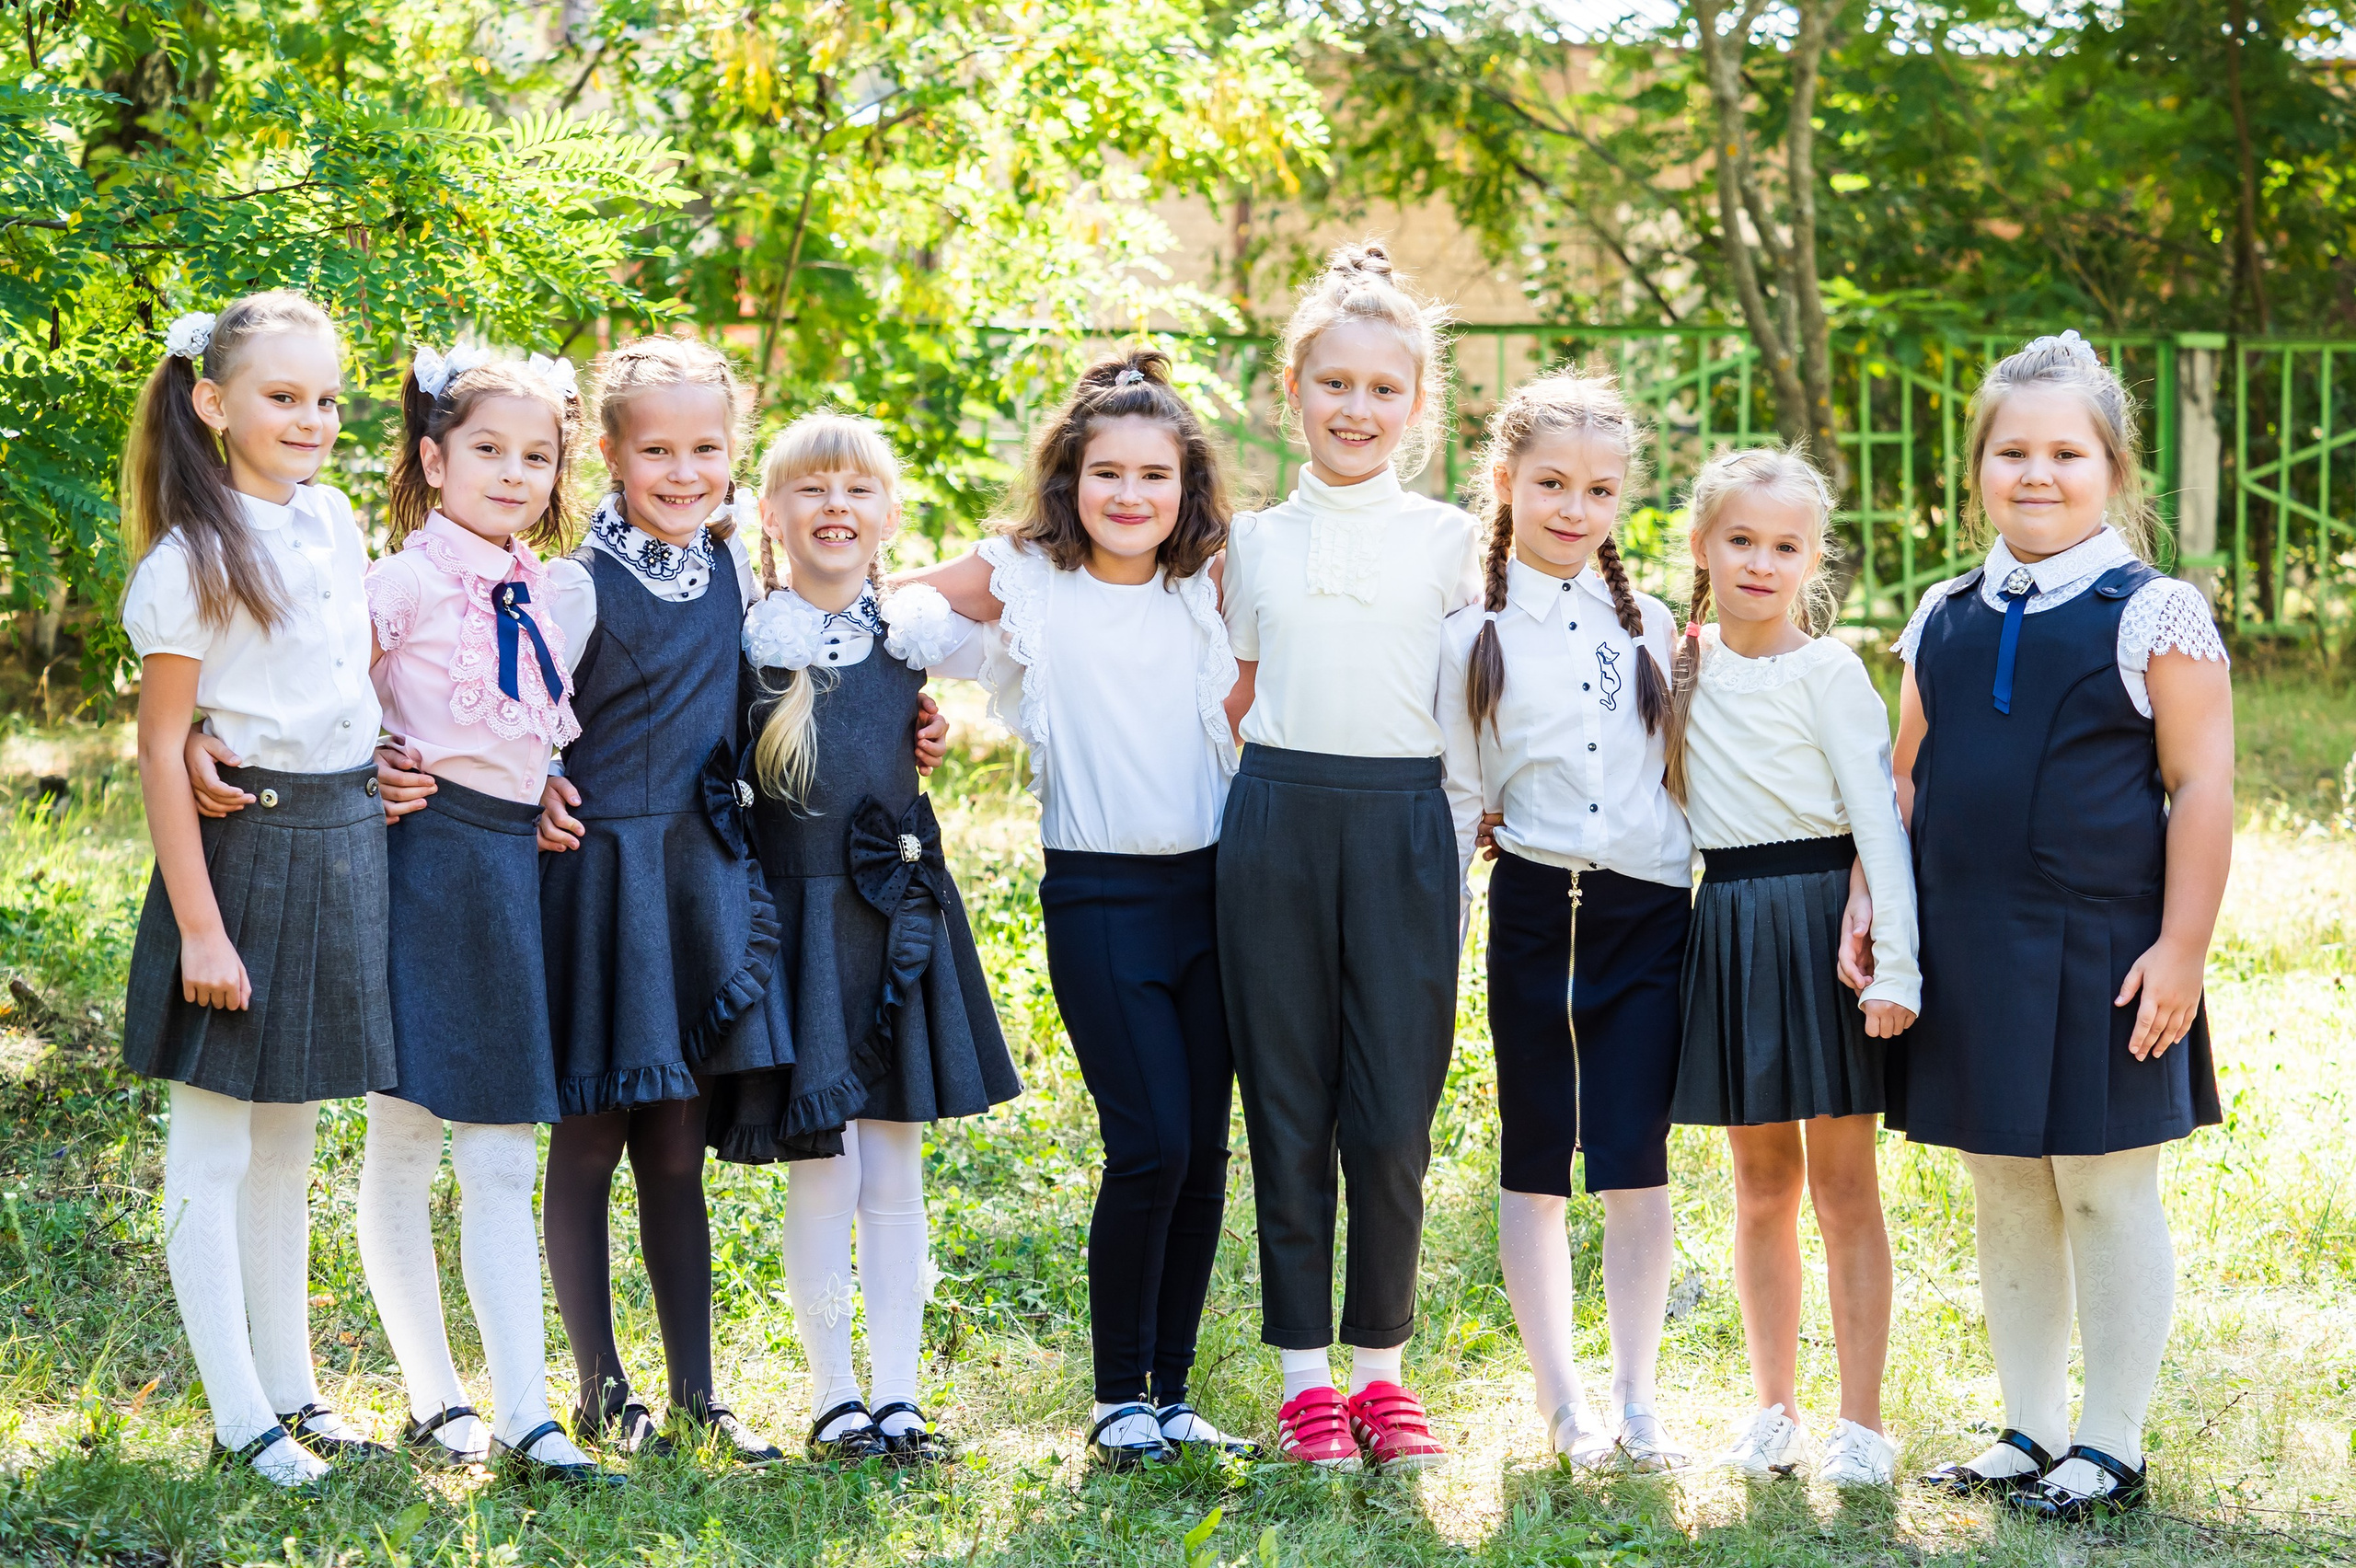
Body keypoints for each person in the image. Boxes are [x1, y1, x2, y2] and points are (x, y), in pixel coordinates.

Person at [1891, 331, 2232, 1521]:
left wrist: (2181, 948)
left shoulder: (2153, 614)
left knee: (2100, 1186)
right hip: (1969, 946)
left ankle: (2111, 1442)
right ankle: (2030, 1426)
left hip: (2106, 953)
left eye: (2066, 453)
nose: (2036, 473)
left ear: (2113, 469)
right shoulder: (1940, 615)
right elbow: (1904, 781)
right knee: (2002, 1184)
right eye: (2012, 452)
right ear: (1978, 467)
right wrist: (1874, 908)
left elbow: (2201, 785)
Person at [900, 352, 1256, 1470]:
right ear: (1069, 479)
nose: (1130, 495)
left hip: (1219, 896)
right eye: (1108, 472)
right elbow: (893, 604)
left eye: (1155, 475)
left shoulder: (1211, 583)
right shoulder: (1029, 581)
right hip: (1100, 896)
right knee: (1148, 1142)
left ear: (1187, 487)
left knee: (1204, 1151)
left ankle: (1172, 1393)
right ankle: (1115, 1400)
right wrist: (907, 700)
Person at [119, 292, 396, 1488]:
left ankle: (293, 1392)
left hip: (343, 836)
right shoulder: (189, 559)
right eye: (283, 396)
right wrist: (199, 929)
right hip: (240, 856)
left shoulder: (333, 519)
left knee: (292, 1132)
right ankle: (239, 1418)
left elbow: (341, 676)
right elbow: (159, 744)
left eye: (326, 397)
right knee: (214, 1142)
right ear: (212, 403)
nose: (313, 418)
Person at [712, 412, 1021, 1466]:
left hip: (897, 919)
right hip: (796, 930)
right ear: (769, 515)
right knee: (823, 1167)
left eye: (857, 490)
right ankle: (834, 1395)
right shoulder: (747, 640)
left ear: (890, 515)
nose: (834, 506)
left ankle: (898, 1395)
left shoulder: (911, 633)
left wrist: (928, 726)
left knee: (893, 1167)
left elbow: (1029, 639)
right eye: (809, 489)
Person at [1217, 242, 1480, 1471]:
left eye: (1383, 388)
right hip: (1274, 822)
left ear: (1417, 404)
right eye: (1334, 384)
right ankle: (1305, 1380)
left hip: (1404, 827)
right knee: (1286, 1098)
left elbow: (1483, 699)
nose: (1356, 409)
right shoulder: (1250, 544)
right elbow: (1229, 694)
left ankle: (1380, 1368)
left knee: (1390, 1113)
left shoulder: (1451, 541)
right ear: (1293, 390)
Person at [354, 343, 619, 1489]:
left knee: (504, 1147)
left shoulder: (548, 589)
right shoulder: (400, 582)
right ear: (434, 460)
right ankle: (441, 1399)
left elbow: (524, 720)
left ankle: (525, 1413)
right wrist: (367, 759)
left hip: (514, 870)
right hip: (422, 861)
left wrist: (544, 783)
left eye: (536, 457)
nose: (513, 473)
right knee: (409, 1134)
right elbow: (326, 701)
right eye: (487, 451)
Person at [532, 335, 791, 1465]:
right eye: (657, 453)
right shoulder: (575, 585)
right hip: (603, 880)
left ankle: (699, 1393)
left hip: (698, 879)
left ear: (733, 454)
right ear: (609, 453)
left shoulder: (734, 572)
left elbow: (766, 701)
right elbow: (510, 711)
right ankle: (600, 1387)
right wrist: (536, 779)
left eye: (706, 450)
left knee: (677, 1152)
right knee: (592, 1135)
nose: (684, 474)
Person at [1438, 372, 1692, 1472]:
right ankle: (1564, 1405)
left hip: (1649, 915)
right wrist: (1444, 932)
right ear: (1506, 482)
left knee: (1636, 1158)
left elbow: (1678, 778)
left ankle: (1638, 1401)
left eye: (1597, 489)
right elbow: (1460, 796)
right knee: (1536, 1158)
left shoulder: (1653, 627)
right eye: (1549, 483)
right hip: (1538, 910)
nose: (1572, 508)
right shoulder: (1469, 632)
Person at [1658, 444, 1918, 1488]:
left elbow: (1879, 822)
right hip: (1727, 925)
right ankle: (1772, 1409)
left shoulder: (1829, 672)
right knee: (1760, 1186)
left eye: (1784, 547)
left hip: (1824, 936)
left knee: (1845, 1188)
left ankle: (1862, 1423)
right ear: (1701, 545)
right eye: (1740, 541)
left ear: (1813, 561)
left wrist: (1896, 966)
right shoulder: (1675, 665)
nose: (1760, 564)